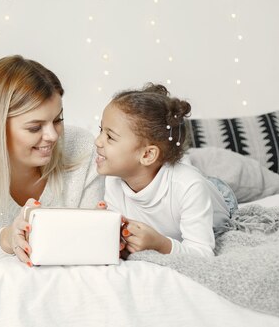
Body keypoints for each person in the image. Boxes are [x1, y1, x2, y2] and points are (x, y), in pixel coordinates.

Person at [0, 55, 104, 265]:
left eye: (58, 120)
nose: (53, 136)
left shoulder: (83, 147)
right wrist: (6, 239)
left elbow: (90, 238)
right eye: (35, 127)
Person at [94, 83, 230, 257]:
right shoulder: (114, 181)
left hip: (218, 198)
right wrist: (105, 228)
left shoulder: (189, 187)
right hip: (171, 179)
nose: (97, 141)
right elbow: (123, 239)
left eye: (110, 137)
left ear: (148, 154)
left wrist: (161, 244)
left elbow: (202, 253)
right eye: (100, 130)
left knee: (207, 170)